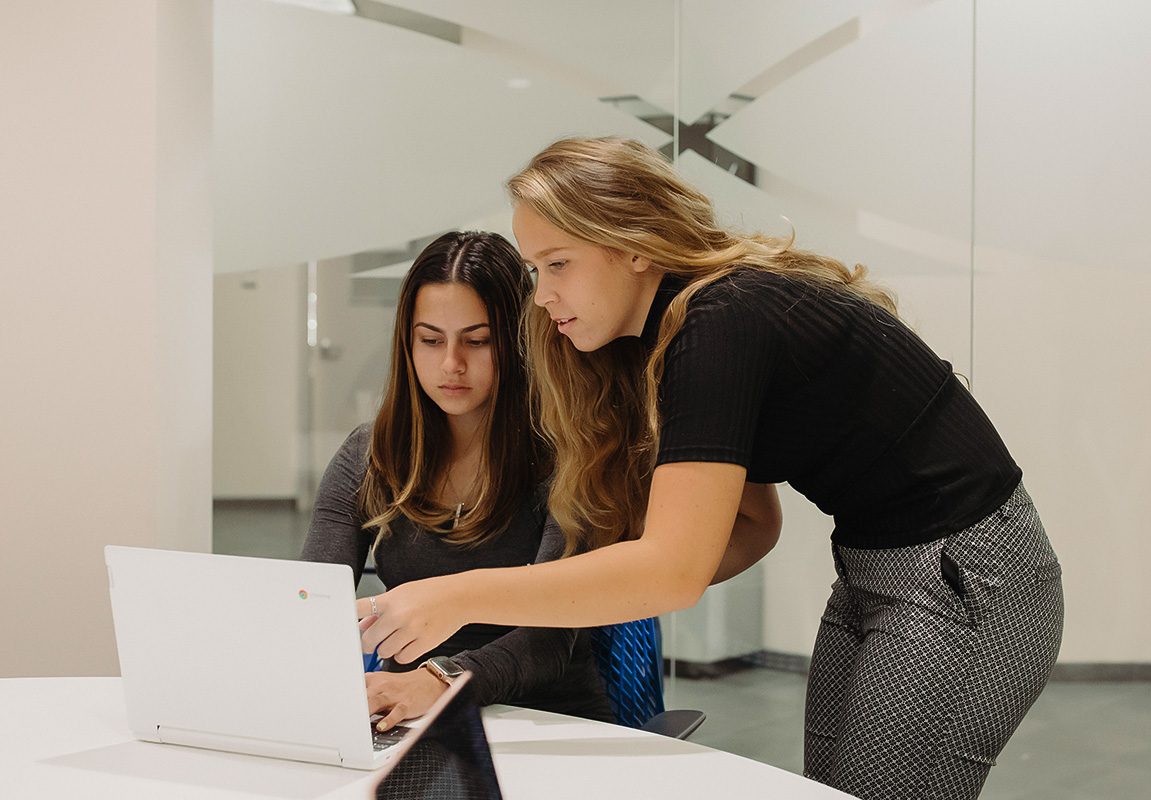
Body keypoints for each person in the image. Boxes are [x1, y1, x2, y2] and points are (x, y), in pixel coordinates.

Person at [358, 138, 1064, 800]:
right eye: (537, 270)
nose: (541, 296)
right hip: (874, 568)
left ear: (633, 247)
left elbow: (675, 570)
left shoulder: (722, 322)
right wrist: (590, 595)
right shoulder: (672, 335)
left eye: (558, 264)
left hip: (967, 573)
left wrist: (460, 595)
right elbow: (753, 526)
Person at [302, 230, 612, 733]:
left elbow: (549, 638)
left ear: (518, 341)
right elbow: (312, 602)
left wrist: (439, 679)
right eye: (430, 340)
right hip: (410, 721)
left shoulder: (567, 454)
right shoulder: (369, 455)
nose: (451, 364)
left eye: (477, 340)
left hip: (547, 724)